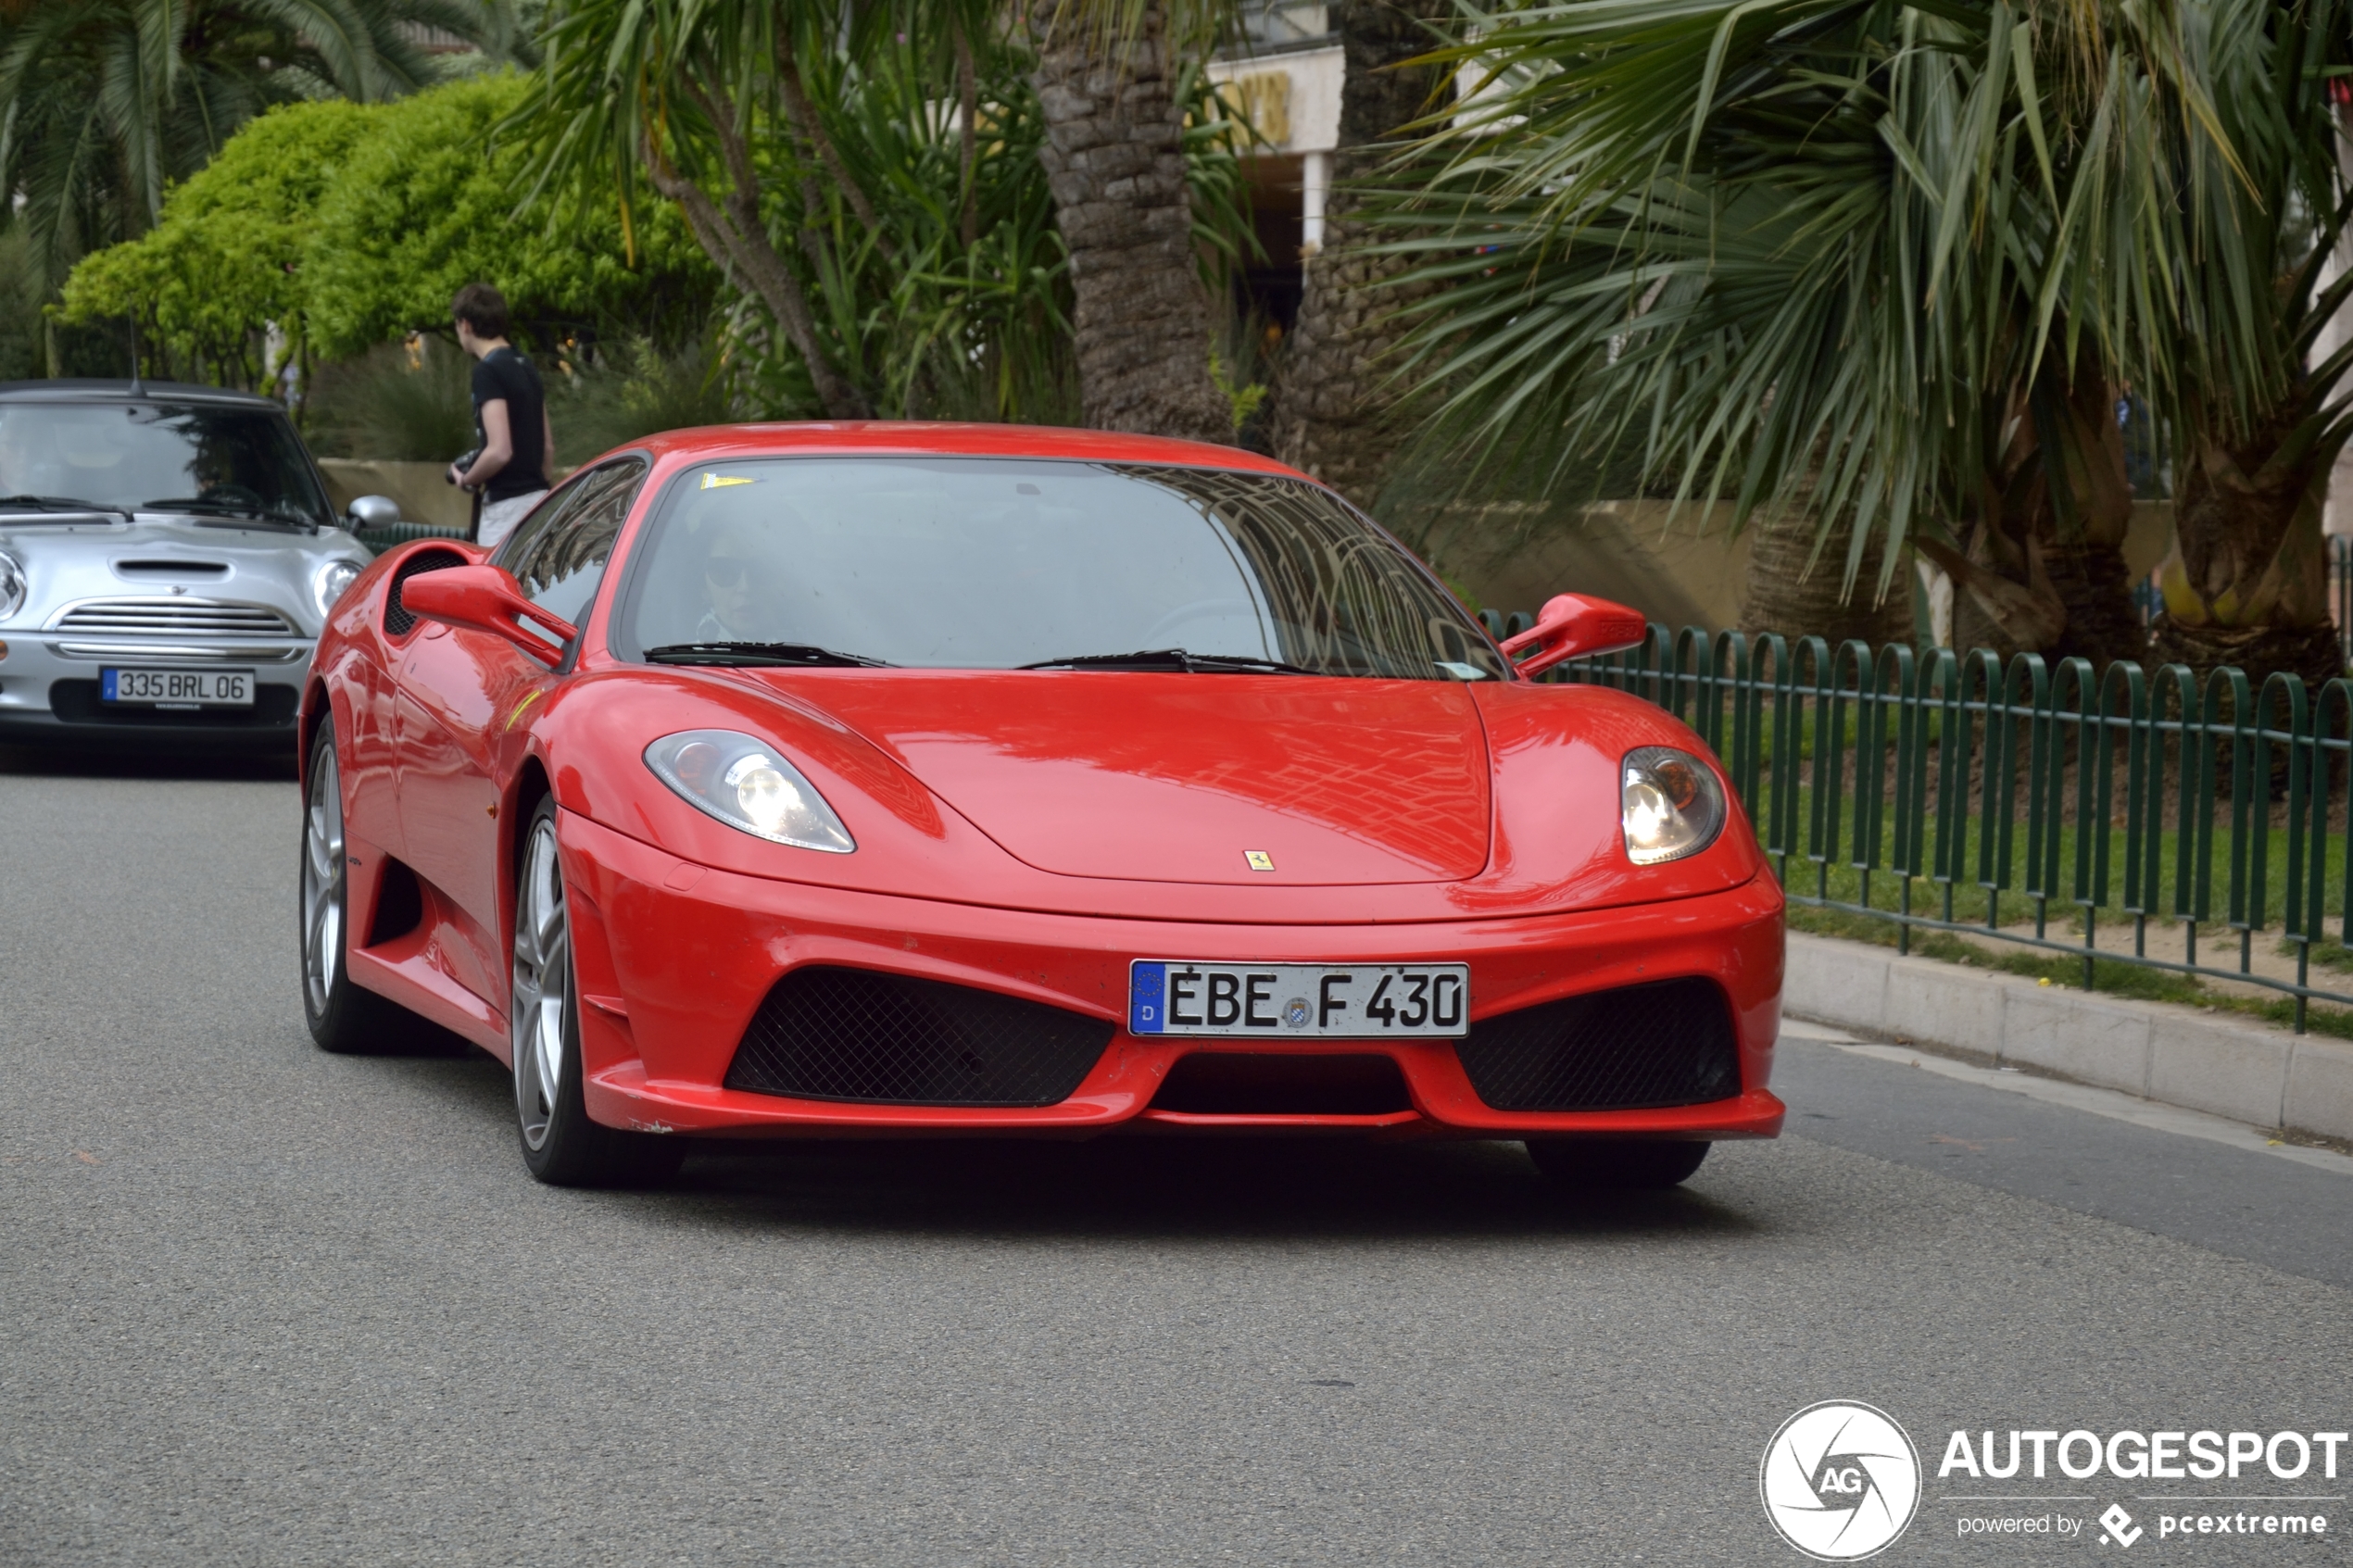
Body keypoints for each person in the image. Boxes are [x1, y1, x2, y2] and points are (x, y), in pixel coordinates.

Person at [446, 283, 553, 549]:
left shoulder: (488, 371)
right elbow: (547, 447)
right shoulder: (525, 364)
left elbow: (499, 450)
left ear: (466, 325)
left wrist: (466, 480)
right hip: (539, 503)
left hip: (506, 510)